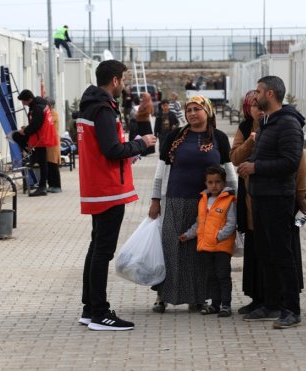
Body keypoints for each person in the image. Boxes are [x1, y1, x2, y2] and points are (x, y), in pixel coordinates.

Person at [76, 60, 157, 331]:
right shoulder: (103, 109)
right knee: (102, 252)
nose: (125, 84)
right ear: (114, 80)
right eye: (123, 79)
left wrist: (132, 146)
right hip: (108, 189)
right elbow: (112, 149)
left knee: (95, 248)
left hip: (98, 188)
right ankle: (99, 312)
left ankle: (90, 308)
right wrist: (140, 144)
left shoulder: (91, 105)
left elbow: (105, 148)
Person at [148, 95, 236, 314]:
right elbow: (160, 171)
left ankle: (198, 298)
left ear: (207, 111)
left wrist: (234, 198)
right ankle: (162, 297)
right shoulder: (174, 137)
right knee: (172, 248)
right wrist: (155, 199)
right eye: (189, 110)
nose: (193, 113)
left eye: (197, 109)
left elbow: (229, 171)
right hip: (176, 200)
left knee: (201, 252)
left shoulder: (219, 138)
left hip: (208, 205)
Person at [231, 91, 306, 316]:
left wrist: (255, 168)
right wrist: (250, 161)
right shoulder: (261, 126)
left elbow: (294, 162)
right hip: (257, 198)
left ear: (271, 95)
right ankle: (268, 302)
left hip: (278, 198)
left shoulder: (287, 125)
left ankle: (289, 307)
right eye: (252, 104)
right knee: (263, 252)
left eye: (259, 98)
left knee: (282, 254)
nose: (256, 106)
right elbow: (237, 156)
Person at [180, 165, 236, 317]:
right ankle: (215, 304)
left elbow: (231, 224)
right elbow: (199, 222)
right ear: (206, 183)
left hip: (221, 247)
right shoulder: (203, 200)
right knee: (211, 277)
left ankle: (226, 305)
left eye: (217, 182)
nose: (214, 185)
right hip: (205, 247)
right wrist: (188, 234)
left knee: (223, 276)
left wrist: (218, 237)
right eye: (210, 182)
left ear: (224, 183)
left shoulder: (229, 200)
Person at [17, 89, 58, 197]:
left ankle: (42, 187)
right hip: (42, 136)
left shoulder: (37, 108)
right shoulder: (39, 105)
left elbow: (36, 124)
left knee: (43, 163)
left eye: (23, 101)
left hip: (41, 138)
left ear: (29, 99)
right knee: (42, 162)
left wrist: (25, 131)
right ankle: (42, 185)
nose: (23, 103)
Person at [45, 97, 62, 193]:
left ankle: (57, 185)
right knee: (49, 164)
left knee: (53, 164)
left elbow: (48, 124)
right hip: (48, 141)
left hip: (53, 141)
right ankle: (51, 184)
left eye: (47, 104)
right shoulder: (48, 113)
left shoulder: (54, 114)